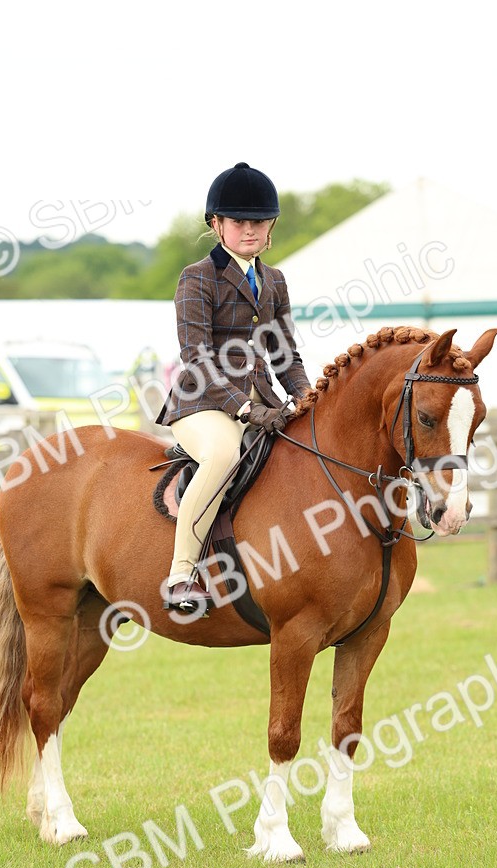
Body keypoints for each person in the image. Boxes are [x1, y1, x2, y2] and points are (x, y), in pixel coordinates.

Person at [157, 162, 313, 614]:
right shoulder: (197, 277)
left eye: (258, 222)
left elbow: (284, 355)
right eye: (239, 221)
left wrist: (306, 398)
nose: (250, 229)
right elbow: (196, 355)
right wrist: (242, 408)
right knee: (224, 455)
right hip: (202, 403)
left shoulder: (275, 281)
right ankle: (182, 575)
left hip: (262, 401)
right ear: (216, 225)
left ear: (271, 227)